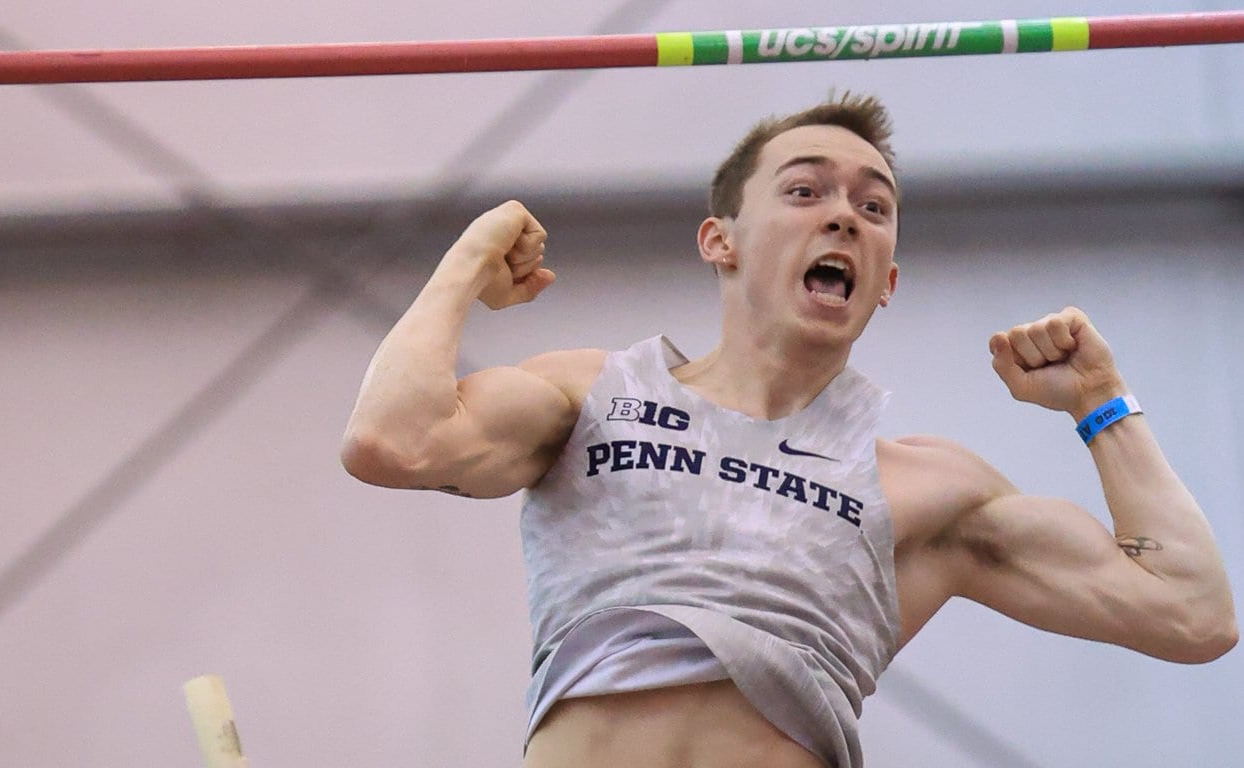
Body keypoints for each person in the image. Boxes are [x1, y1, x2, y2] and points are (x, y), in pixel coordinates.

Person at [340, 94, 1237, 768]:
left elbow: (1192, 614)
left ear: (884, 281)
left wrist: (1100, 402)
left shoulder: (924, 490)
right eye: (804, 190)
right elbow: (391, 440)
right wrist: (464, 262)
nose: (844, 213)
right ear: (719, 240)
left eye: (873, 207)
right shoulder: (590, 395)